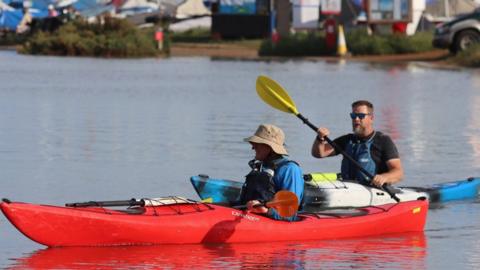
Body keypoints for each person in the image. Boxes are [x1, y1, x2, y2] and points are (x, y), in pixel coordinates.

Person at [311, 100, 403, 188]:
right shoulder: (347, 140)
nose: (356, 119)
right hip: (349, 191)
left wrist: (384, 177)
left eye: (361, 116)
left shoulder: (383, 141)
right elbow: (320, 153)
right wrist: (320, 138)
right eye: (353, 115)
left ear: (371, 118)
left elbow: (398, 173)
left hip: (374, 192)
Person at [239, 124, 304, 220]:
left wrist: (266, 211)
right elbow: (241, 202)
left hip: (275, 223)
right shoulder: (260, 167)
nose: (253, 147)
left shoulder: (290, 170)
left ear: (270, 147)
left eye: (257, 144)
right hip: (252, 219)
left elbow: (290, 215)